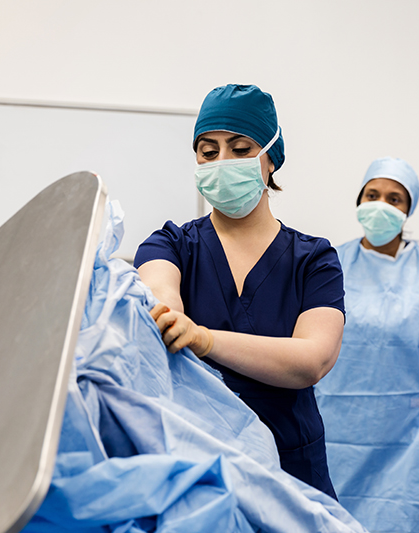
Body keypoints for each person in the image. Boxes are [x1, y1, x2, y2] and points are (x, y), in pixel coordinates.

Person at [134, 84, 345, 498]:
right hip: (201, 468)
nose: (222, 162)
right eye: (208, 152)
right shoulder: (171, 245)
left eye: (240, 148)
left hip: (292, 470)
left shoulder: (313, 260)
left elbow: (312, 360)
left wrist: (204, 339)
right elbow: (160, 297)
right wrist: (171, 317)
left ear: (270, 159)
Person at [315, 157, 419, 532]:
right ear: (359, 201)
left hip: (408, 456)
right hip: (333, 446)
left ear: (408, 210)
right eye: (372, 195)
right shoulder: (328, 264)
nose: (381, 205)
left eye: (394, 198)